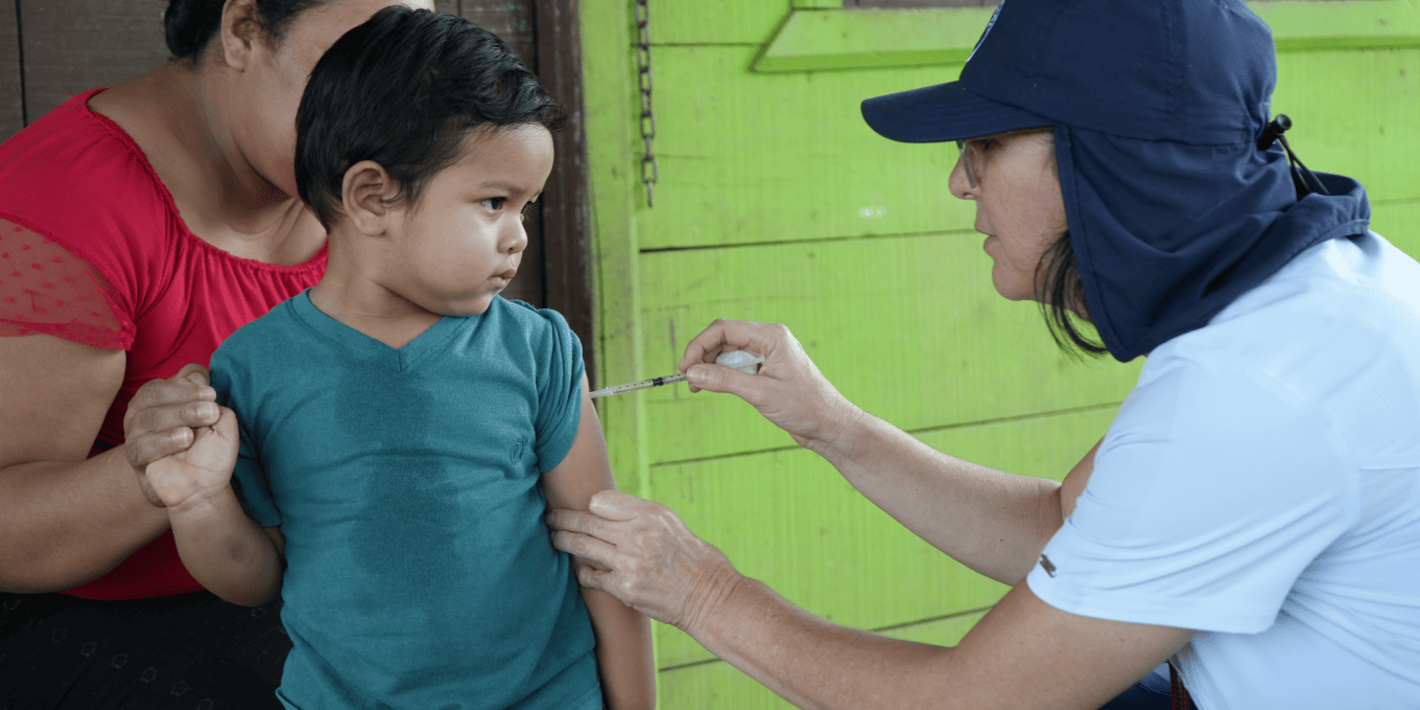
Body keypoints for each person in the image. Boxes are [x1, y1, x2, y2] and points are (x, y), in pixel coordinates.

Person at [545, 1, 1420, 709]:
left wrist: (703, 593)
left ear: (1102, 163)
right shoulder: (1305, 298)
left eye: (986, 146)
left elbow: (974, 702)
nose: (960, 181)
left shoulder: (1256, 392)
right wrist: (833, 426)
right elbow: (1065, 527)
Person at [137, 8, 655, 710]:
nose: (518, 239)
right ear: (372, 197)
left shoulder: (538, 351)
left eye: (526, 209)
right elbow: (255, 576)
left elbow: (606, 556)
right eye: (495, 203)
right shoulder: (254, 368)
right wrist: (198, 501)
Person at [0, 0, 428, 706]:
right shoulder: (69, 205)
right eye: (354, 68)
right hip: (92, 614)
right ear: (242, 29)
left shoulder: (362, 181)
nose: (395, 120)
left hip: (295, 577)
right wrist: (164, 471)